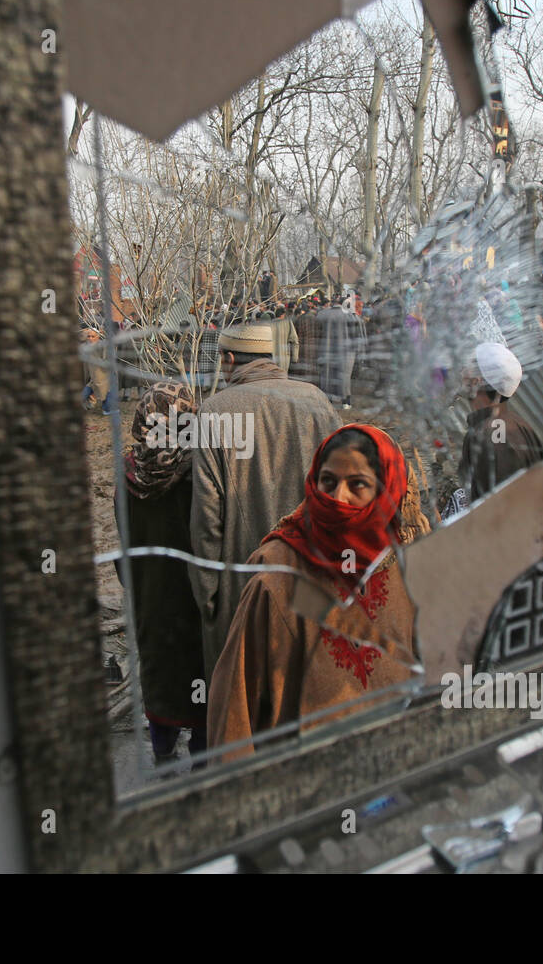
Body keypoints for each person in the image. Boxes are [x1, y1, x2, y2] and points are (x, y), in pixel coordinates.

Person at [207, 425, 431, 760]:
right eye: (328, 481)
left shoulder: (405, 558)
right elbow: (236, 708)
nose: (337, 498)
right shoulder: (277, 575)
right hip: (306, 784)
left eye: (357, 485)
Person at [188, 323, 340, 686]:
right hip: (311, 580)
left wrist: (209, 596)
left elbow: (207, 521)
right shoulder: (316, 401)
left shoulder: (214, 412)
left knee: (246, 702)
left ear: (227, 359)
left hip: (244, 591)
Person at [115, 383, 208, 765]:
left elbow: (123, 539)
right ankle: (203, 752)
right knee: (201, 669)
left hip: (150, 589)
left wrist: (133, 580)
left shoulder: (128, 472)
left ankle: (163, 750)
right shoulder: (202, 470)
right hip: (197, 593)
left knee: (158, 668)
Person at [458, 342, 543, 501]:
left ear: (476, 381)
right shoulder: (517, 423)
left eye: (468, 366)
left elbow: (502, 508)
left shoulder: (489, 435)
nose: (462, 371)